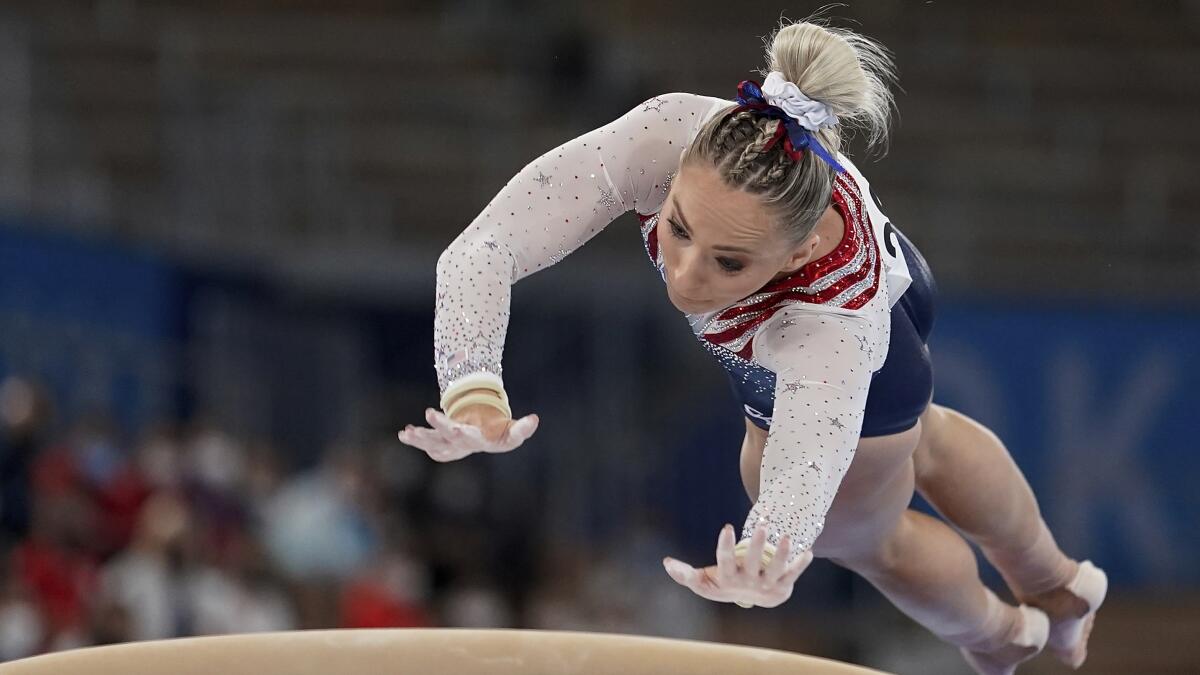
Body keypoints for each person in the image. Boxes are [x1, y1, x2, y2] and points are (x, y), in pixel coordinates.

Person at [397, 18, 1107, 675]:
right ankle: (1060, 583)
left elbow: (797, 486)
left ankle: (1002, 630)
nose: (684, 273)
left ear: (798, 253)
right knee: (925, 440)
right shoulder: (668, 136)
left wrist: (771, 552)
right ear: (677, 172)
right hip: (895, 272)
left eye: (727, 263)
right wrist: (473, 386)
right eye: (677, 228)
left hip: (861, 338)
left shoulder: (824, 328)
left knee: (867, 540)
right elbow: (485, 247)